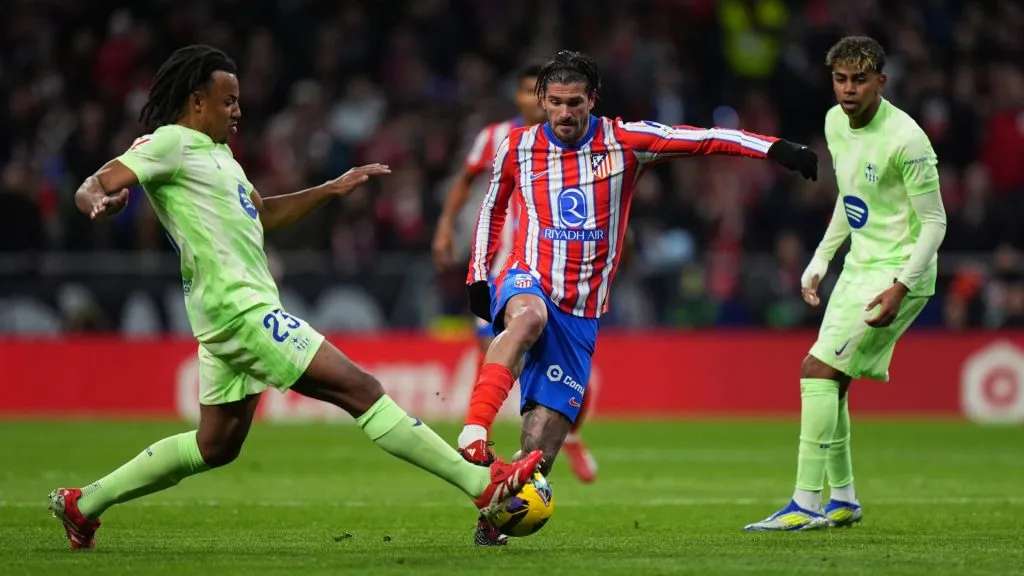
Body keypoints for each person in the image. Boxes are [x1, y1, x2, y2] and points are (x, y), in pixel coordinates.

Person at [48, 44, 542, 550]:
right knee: (363, 390)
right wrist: (99, 200)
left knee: (214, 445)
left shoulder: (220, 159)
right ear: (197, 102)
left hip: (225, 314)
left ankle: (82, 505)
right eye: (228, 101)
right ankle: (482, 487)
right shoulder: (170, 143)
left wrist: (330, 189)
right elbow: (99, 180)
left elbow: (262, 215)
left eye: (237, 101)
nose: (238, 111)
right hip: (240, 308)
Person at [465, 49, 818, 545]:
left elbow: (707, 139)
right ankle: (474, 429)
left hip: (583, 310)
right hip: (530, 276)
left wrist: (775, 148)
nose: (565, 115)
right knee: (525, 318)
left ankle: (495, 517)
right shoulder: (517, 146)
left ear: (593, 101)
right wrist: (480, 275)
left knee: (537, 453)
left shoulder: (625, 141)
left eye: (575, 104)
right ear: (542, 100)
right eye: (557, 103)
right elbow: (491, 208)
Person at [744, 36, 946, 531]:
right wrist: (820, 258)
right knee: (831, 380)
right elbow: (851, 198)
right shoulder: (835, 123)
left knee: (818, 369)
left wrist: (901, 285)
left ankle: (805, 503)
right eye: (840, 79)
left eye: (859, 80)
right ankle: (844, 500)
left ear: (881, 80)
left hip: (900, 270)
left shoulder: (908, 139)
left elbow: (936, 223)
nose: (848, 90)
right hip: (859, 266)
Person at [432, 65, 599, 494]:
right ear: (530, 98)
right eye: (527, 92)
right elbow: (470, 185)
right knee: (503, 341)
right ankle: (477, 436)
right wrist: (447, 225)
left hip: (564, 278)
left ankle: (559, 440)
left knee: (565, 380)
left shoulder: (586, 146)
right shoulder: (498, 139)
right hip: (509, 271)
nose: (531, 100)